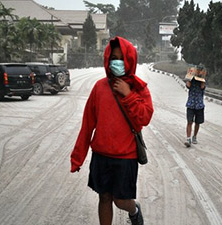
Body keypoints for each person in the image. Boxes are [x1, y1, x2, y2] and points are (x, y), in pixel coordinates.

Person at [70, 36, 154, 225]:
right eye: (113, 58)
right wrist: (78, 157)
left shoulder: (139, 89)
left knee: (120, 200)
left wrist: (128, 94)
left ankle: (134, 210)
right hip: (101, 156)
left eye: (121, 58)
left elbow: (144, 119)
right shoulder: (100, 87)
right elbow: (87, 124)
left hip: (126, 157)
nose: (116, 62)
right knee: (104, 198)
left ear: (130, 60)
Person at [184, 65, 206, 147]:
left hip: (199, 105)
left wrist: (202, 77)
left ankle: (194, 136)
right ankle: (188, 138)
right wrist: (189, 76)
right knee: (189, 122)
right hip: (190, 104)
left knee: (197, 122)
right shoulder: (191, 81)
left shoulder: (202, 81)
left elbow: (202, 87)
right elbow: (188, 85)